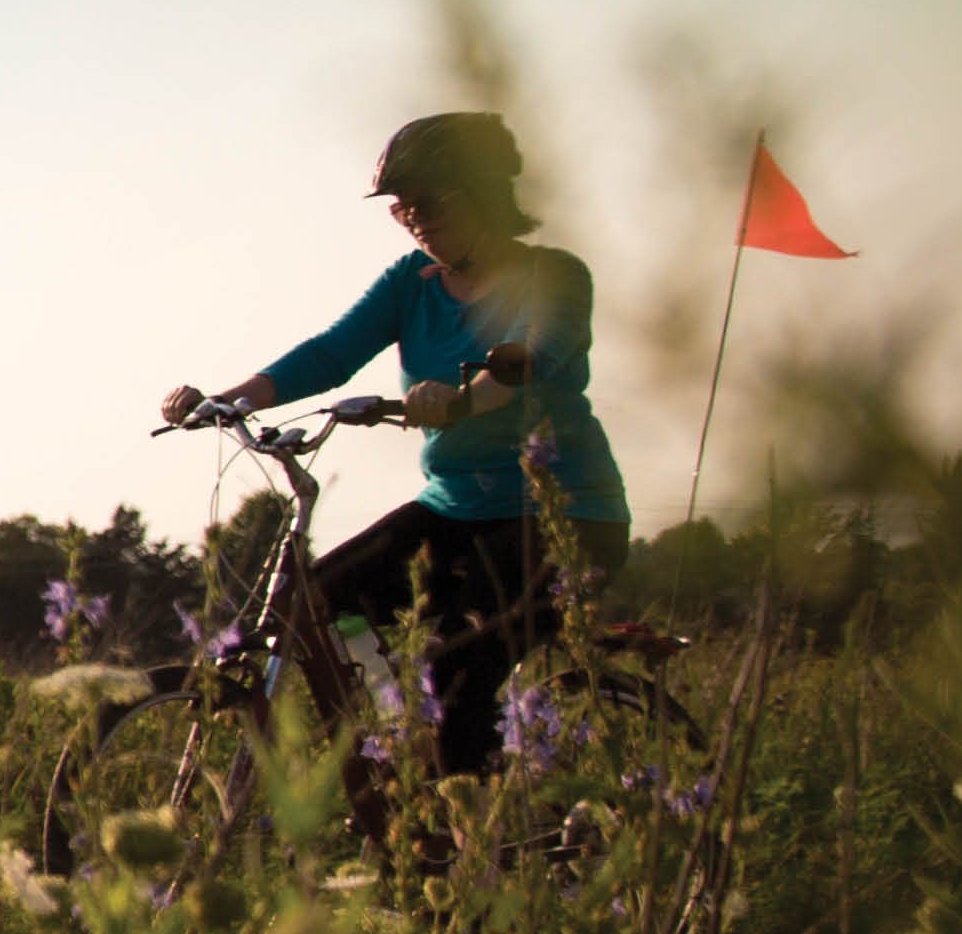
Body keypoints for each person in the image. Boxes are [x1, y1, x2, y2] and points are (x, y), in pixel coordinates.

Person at [163, 111, 634, 772]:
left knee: (461, 666)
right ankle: (397, 738)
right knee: (313, 604)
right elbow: (331, 353)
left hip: (566, 518)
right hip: (453, 511)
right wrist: (227, 399)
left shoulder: (555, 276)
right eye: (399, 208)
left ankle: (469, 821)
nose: (412, 218)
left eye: (429, 203)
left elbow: (534, 358)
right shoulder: (410, 284)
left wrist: (463, 400)